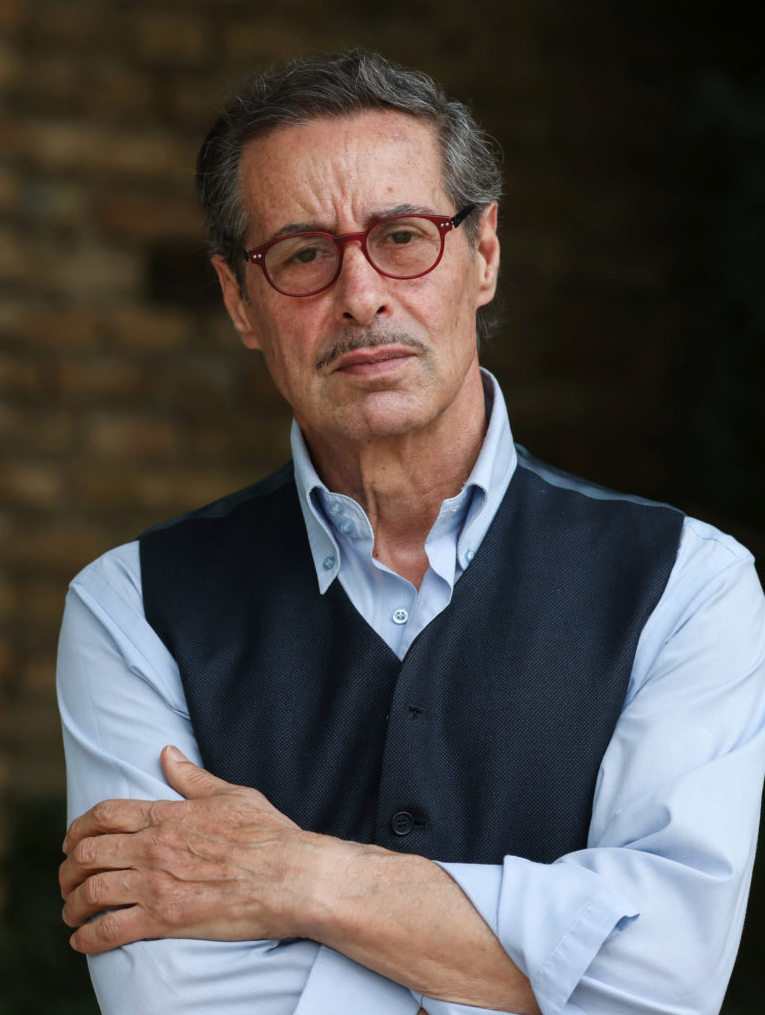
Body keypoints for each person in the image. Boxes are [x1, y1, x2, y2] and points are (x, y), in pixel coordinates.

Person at [57, 50, 765, 1015]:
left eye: (402, 236)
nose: (361, 294)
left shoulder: (689, 584)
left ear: (485, 255)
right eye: (303, 254)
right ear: (238, 302)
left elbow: (663, 980)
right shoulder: (131, 609)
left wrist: (298, 879)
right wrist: (544, 959)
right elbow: (172, 997)